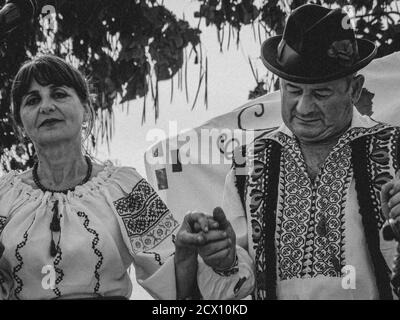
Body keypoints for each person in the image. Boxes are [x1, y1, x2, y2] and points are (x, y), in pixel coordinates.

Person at [0, 54, 254, 300]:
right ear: (20, 123)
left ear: (86, 110)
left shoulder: (124, 187)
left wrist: (190, 251)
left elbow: (177, 289)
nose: (46, 106)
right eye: (32, 100)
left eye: (59, 94)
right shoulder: (4, 196)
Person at [221, 4, 400, 299]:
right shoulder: (248, 165)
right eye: (293, 90)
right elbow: (234, 283)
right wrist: (223, 259)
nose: (303, 108)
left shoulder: (394, 150)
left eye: (320, 93)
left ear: (354, 89)